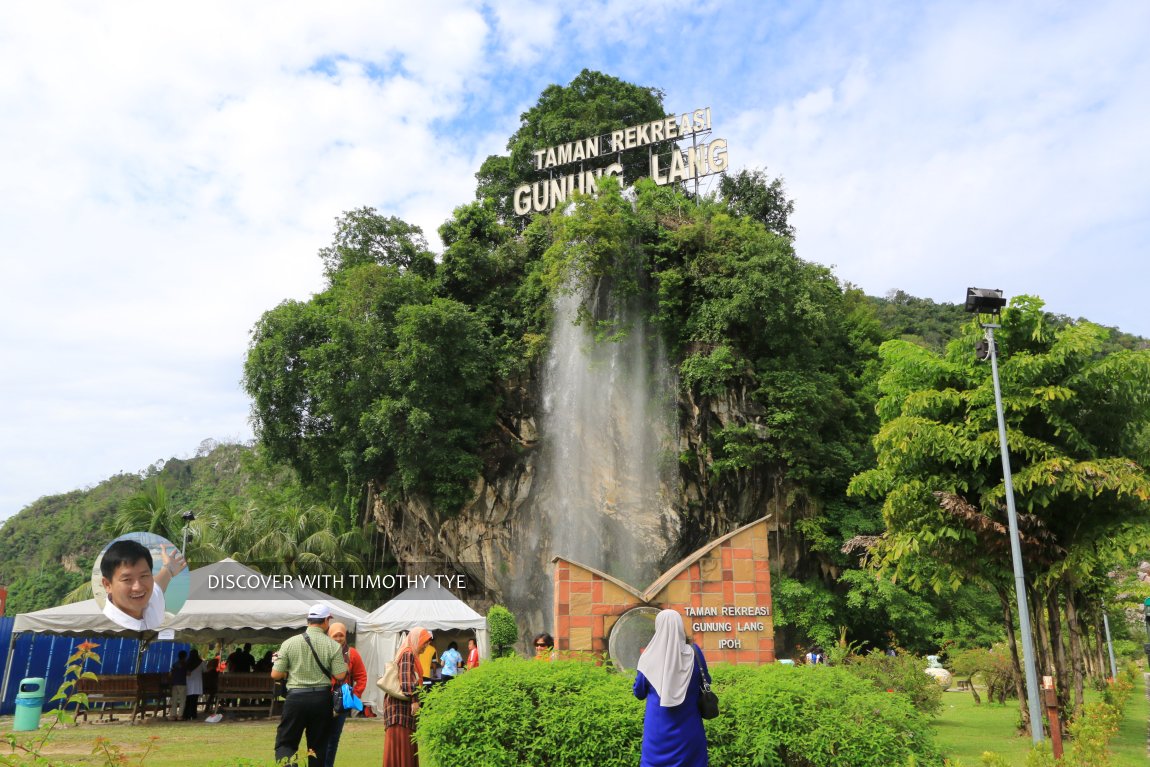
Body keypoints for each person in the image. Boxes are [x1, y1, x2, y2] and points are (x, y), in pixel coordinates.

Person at [271, 604, 348, 767]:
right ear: (326, 621)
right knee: (318, 746)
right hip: (321, 699)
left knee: (286, 742)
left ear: (308, 621)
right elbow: (340, 675)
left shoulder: (289, 643)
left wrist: (289, 671)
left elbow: (276, 674)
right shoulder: (333, 645)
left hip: (295, 699)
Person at [633, 609, 709, 767]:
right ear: (680, 626)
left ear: (658, 627)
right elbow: (706, 681)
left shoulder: (648, 658)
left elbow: (639, 692)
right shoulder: (694, 654)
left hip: (657, 732)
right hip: (689, 729)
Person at [99, 539, 186, 631]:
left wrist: (169, 568)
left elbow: (160, 582)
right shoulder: (108, 629)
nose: (138, 587)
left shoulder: (151, 600)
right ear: (107, 585)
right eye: (127, 579)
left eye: (144, 576)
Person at [383, 627, 432, 767]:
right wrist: (415, 701)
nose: (426, 646)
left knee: (401, 749)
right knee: (403, 748)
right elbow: (406, 680)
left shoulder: (408, 653)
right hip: (400, 712)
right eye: (424, 642)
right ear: (416, 640)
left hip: (398, 710)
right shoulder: (408, 653)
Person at [323, 621, 366, 767]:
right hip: (321, 699)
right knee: (319, 737)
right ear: (329, 636)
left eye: (341, 635)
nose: (338, 638)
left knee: (333, 738)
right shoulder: (322, 650)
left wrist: (356, 695)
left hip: (340, 702)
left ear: (345, 636)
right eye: (335, 635)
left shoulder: (352, 653)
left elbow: (361, 676)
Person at [184, 649, 203, 720]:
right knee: (194, 700)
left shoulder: (186, 662)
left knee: (188, 700)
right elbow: (205, 670)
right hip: (197, 684)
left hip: (188, 683)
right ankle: (193, 714)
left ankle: (186, 714)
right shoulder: (201, 662)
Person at [168, 650, 188, 721]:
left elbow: (170, 674)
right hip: (182, 683)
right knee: (182, 700)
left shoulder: (174, 664)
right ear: (185, 656)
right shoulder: (185, 664)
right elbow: (188, 673)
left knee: (174, 700)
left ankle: (172, 716)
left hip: (175, 683)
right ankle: (180, 716)